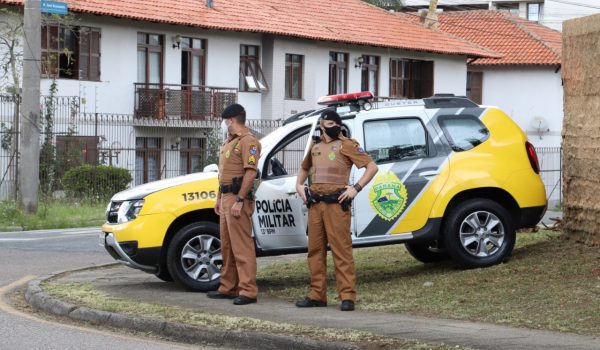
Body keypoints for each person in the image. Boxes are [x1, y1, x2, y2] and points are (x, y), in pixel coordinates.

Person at [295, 110, 378, 311]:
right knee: (315, 251)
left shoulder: (347, 144)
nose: (331, 126)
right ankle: (317, 295)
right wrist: (299, 185)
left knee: (341, 251)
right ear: (321, 125)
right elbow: (305, 168)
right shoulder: (314, 145)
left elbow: (372, 167)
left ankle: (347, 296)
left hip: (336, 205)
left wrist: (355, 189)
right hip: (315, 204)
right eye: (328, 123)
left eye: (335, 123)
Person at [207, 103, 261, 306]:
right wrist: (219, 199)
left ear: (230, 120)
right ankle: (228, 287)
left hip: (239, 199)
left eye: (223, 121)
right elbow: (223, 176)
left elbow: (250, 172)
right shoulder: (229, 142)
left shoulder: (249, 142)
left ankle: (248, 290)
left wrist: (239, 199)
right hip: (226, 198)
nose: (222, 125)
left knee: (242, 247)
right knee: (228, 246)